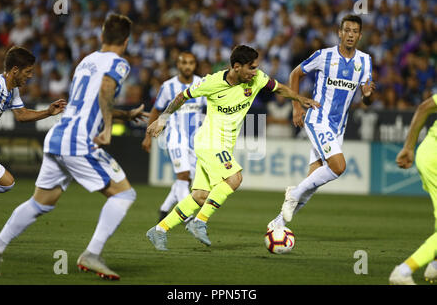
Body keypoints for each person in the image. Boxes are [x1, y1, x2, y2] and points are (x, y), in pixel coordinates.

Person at [0, 14, 149, 280]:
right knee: (124, 195)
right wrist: (108, 128)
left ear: (101, 36)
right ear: (127, 41)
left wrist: (125, 115)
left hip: (58, 136)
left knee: (42, 201)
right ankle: (92, 254)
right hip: (80, 142)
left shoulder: (86, 61)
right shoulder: (118, 63)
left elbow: (89, 103)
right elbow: (106, 89)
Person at [145, 45, 320, 251]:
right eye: (251, 68)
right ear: (237, 67)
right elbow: (182, 96)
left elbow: (279, 87)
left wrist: (299, 99)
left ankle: (159, 230)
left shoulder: (256, 79)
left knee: (200, 196)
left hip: (223, 145)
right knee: (234, 178)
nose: (255, 72)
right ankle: (199, 221)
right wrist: (163, 119)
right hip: (209, 142)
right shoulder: (212, 82)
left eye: (256, 68)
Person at [268, 15, 375, 228]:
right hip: (318, 119)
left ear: (360, 35)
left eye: (355, 31)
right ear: (340, 33)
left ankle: (277, 224)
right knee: (339, 166)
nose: (350, 35)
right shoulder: (324, 55)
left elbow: (367, 100)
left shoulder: (365, 61)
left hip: (338, 127)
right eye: (347, 30)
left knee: (312, 183)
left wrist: (368, 94)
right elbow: (295, 74)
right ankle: (293, 192)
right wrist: (296, 107)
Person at [0, 46, 66, 196]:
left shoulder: (12, 90)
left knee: (6, 183)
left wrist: (48, 112)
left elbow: (22, 115)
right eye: (28, 71)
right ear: (15, 70)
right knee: (5, 182)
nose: (30, 76)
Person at [142, 52, 206, 222]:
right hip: (175, 137)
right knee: (183, 175)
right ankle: (189, 218)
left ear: (195, 65)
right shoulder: (168, 86)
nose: (187, 66)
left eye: (191, 63)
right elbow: (156, 109)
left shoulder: (202, 84)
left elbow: (212, 108)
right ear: (178, 65)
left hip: (196, 140)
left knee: (188, 179)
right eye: (184, 62)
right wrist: (148, 136)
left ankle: (164, 209)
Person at [389, 94, 437, 285]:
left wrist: (409, 147)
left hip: (428, 153)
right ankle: (403, 271)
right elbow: (424, 107)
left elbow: (424, 107)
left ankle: (434, 267)